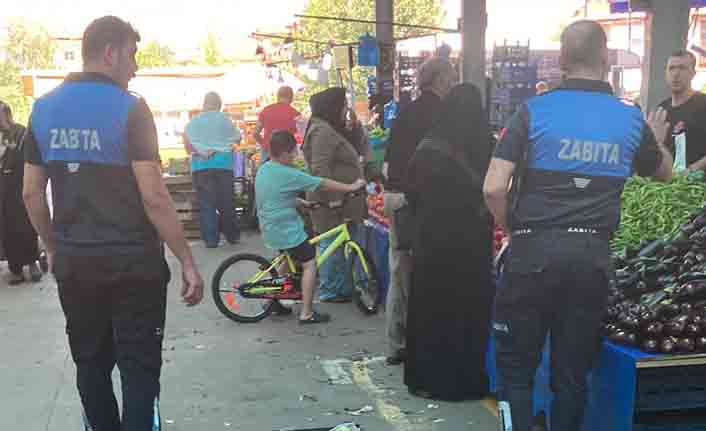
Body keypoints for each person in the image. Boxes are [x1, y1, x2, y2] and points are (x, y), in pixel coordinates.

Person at [483, 20, 673, 431]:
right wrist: (657, 138)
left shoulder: (533, 111)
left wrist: (512, 227)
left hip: (532, 254)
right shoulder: (630, 118)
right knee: (571, 377)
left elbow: (494, 187)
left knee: (516, 372)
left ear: (562, 60)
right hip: (591, 260)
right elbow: (665, 174)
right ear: (605, 57)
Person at [22, 16, 204, 431]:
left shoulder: (43, 110)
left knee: (90, 364)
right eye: (132, 55)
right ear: (110, 53)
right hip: (133, 264)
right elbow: (154, 196)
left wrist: (54, 247)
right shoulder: (130, 108)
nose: (135, 67)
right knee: (139, 370)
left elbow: (31, 194)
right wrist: (187, 260)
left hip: (76, 264)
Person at [404, 83, 493, 401]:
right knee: (465, 311)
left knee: (430, 308)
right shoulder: (485, 144)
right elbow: (496, 190)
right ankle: (462, 381)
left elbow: (410, 191)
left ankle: (425, 377)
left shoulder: (428, 145)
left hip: (430, 240)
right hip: (470, 244)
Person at [382, 56, 457, 365]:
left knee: (400, 272)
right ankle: (426, 342)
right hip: (423, 202)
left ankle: (397, 342)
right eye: (452, 77)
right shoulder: (443, 115)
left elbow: (389, 161)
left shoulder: (405, 112)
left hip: (395, 197)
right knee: (430, 272)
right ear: (440, 80)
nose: (453, 83)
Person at [256, 130, 364, 323]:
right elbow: (322, 183)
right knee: (309, 263)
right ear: (284, 153)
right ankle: (307, 313)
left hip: (270, 226)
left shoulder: (265, 169)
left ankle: (271, 302)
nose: (295, 156)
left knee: (286, 261)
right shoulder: (288, 173)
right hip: (285, 230)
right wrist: (351, 187)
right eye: (293, 152)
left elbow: (276, 196)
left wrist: (303, 203)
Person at [302, 87, 368, 303]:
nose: (345, 110)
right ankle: (331, 289)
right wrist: (334, 198)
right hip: (329, 203)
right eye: (343, 106)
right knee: (331, 245)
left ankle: (341, 286)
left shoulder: (326, 128)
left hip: (340, 201)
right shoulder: (322, 132)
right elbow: (320, 169)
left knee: (336, 245)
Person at [184, 91, 241, 248]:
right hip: (223, 165)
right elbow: (238, 138)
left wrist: (202, 150)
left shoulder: (193, 122)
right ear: (219, 104)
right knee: (226, 202)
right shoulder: (225, 119)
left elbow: (188, 147)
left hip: (201, 166)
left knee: (206, 204)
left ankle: (210, 240)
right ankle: (232, 236)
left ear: (204, 104)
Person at [0, 101, 42, 284]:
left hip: (19, 184)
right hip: (2, 189)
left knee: (26, 224)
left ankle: (33, 263)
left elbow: (29, 158)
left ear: (7, 114)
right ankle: (15, 269)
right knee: (7, 228)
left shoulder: (21, 132)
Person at [658, 49, 706, 173]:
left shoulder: (703, 104)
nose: (676, 74)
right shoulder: (661, 110)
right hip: (667, 182)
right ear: (666, 73)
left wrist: (693, 169)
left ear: (693, 73)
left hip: (699, 182)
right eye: (671, 68)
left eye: (682, 68)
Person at [254, 85, 302, 163]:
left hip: (268, 153)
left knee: (266, 170)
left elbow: (255, 133)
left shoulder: (266, 110)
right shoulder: (295, 114)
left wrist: (265, 145)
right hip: (286, 154)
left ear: (278, 96)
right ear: (291, 97)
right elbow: (302, 135)